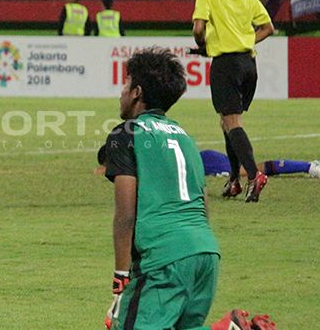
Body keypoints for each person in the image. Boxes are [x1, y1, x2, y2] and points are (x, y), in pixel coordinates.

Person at [103, 49, 274, 330]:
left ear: (136, 92)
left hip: (164, 257)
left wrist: (122, 272)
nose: (120, 92)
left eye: (125, 84)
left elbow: (125, 214)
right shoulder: (185, 138)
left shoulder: (126, 134)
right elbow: (203, 204)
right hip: (205, 253)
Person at [192, 0, 275, 203]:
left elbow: (198, 29)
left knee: (231, 123)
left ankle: (253, 175)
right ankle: (234, 180)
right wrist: (245, 41)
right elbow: (268, 28)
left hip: (226, 64)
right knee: (227, 122)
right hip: (248, 64)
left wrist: (203, 45)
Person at [96, 146, 320, 179]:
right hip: (204, 158)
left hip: (206, 163)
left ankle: (310, 166)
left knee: (248, 172)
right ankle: (309, 166)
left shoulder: (137, 162)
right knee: (252, 169)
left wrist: (107, 172)